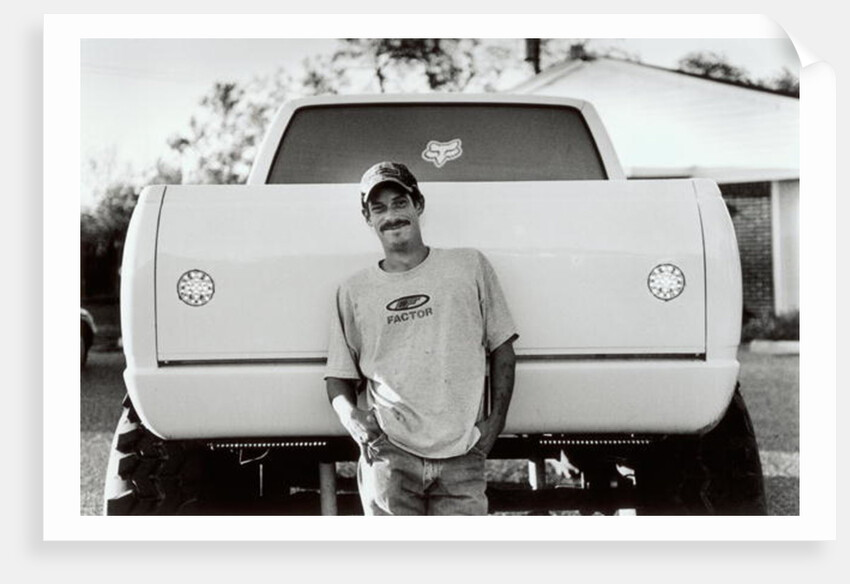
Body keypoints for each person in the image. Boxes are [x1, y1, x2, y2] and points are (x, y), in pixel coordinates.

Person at [324, 161, 518, 516]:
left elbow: (502, 349)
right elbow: (338, 377)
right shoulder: (353, 291)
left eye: (400, 203)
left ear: (419, 205)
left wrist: (494, 426)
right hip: (389, 455)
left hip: (462, 455)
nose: (391, 216)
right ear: (368, 218)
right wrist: (352, 418)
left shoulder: (469, 267)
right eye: (378, 208)